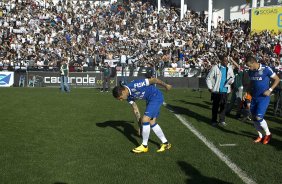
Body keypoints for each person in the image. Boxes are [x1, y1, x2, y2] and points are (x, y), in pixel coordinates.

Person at [112, 77, 172, 153]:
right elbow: (135, 109)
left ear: (123, 92)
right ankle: (166, 143)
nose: (121, 100)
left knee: (145, 119)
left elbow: (154, 80)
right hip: (150, 99)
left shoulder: (135, 85)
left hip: (156, 97)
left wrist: (166, 85)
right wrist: (140, 126)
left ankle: (144, 146)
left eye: (120, 98)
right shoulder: (128, 97)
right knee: (151, 122)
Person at [245, 56, 280, 144]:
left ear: (254, 62)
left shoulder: (266, 69)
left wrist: (270, 90)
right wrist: (247, 94)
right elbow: (251, 83)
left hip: (263, 98)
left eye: (249, 66)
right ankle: (260, 136)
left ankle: (268, 134)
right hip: (254, 97)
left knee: (259, 117)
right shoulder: (251, 71)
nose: (249, 68)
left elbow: (277, 79)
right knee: (254, 118)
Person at [206, 54, 234, 126]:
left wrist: (231, 81)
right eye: (224, 61)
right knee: (215, 106)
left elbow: (232, 77)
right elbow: (208, 78)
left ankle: (222, 120)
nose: (226, 62)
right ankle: (214, 120)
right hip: (216, 91)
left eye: (227, 61)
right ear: (221, 61)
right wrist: (210, 87)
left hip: (225, 91)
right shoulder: (215, 68)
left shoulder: (229, 68)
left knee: (223, 106)